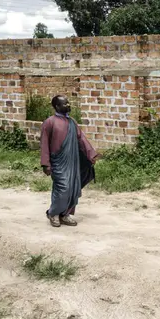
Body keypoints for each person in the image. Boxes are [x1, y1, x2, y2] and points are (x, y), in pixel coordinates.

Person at [40, 95, 99, 228]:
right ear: (57, 106)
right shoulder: (49, 122)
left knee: (72, 188)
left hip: (73, 161)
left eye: (68, 103)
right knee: (63, 188)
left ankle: (65, 214)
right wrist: (45, 163)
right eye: (65, 103)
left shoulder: (72, 122)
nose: (68, 105)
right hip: (58, 162)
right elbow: (44, 144)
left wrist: (91, 155)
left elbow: (81, 139)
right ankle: (53, 213)